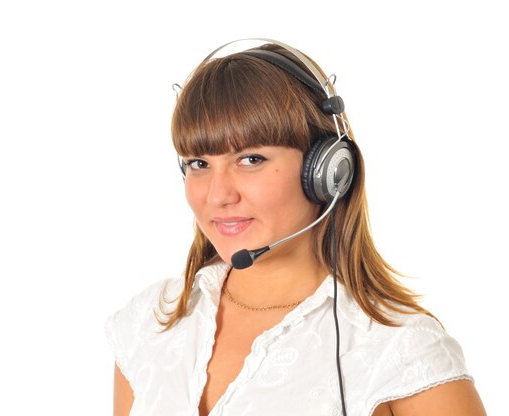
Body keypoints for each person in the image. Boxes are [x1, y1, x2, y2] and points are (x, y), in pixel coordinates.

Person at [105, 39, 487, 416]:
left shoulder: (400, 348)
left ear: (327, 172)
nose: (217, 195)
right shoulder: (151, 320)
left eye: (250, 159)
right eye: (198, 164)